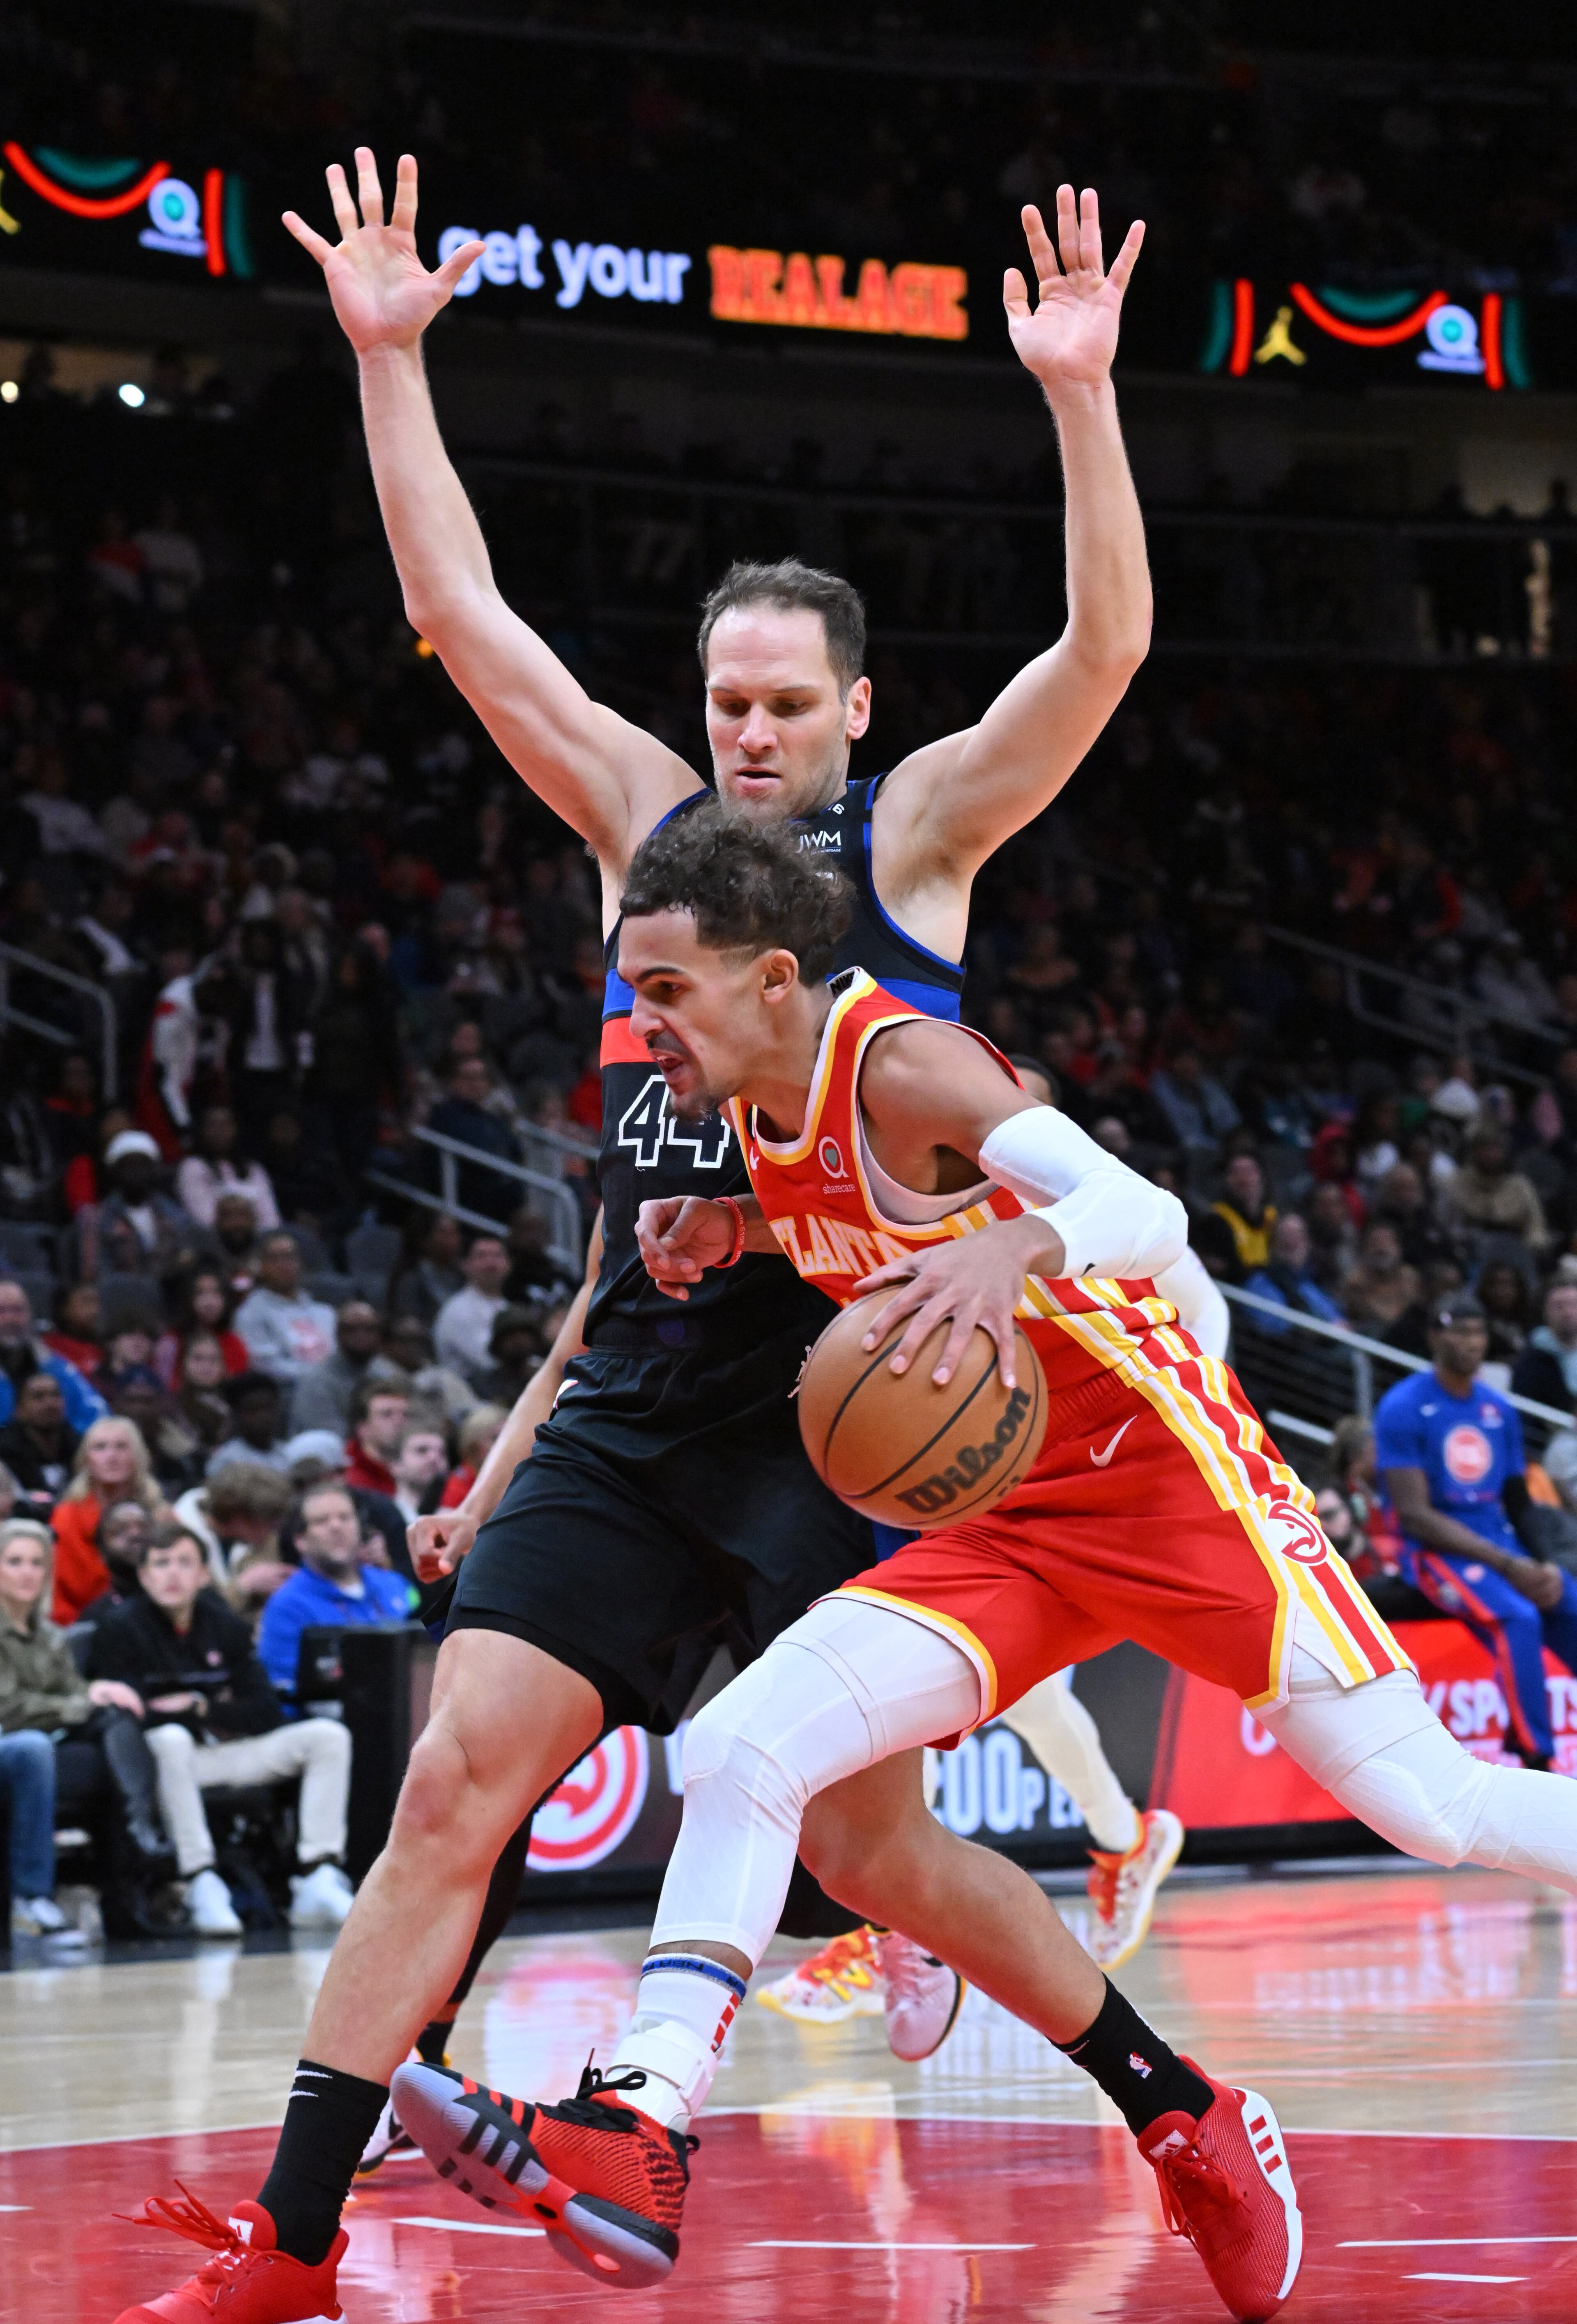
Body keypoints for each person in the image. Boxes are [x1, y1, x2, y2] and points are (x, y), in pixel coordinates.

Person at [117, 156, 1158, 2323]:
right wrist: (391, 362)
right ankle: (295, 2243)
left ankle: (1158, 2095)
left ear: (858, 711)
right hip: (633, 1398)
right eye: (730, 698)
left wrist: (1077, 398)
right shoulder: (638, 828)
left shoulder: (924, 840)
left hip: (839, 1421)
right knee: (451, 1783)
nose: (751, 729)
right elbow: (465, 623)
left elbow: (1102, 650)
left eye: (789, 701)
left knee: (885, 1852)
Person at [396, 812, 1577, 2304]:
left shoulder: (899, 1065)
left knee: (1424, 1802)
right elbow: (824, 1207)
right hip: (1001, 1513)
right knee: (739, 1748)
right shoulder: (764, 1116)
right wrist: (733, 1228)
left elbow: (1140, 1213)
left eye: (667, 992)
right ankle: (639, 2114)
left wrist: (1012, 1249)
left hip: (1163, 1477)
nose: (641, 1024)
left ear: (772, 981)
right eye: (630, 993)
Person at [87, 1528, 356, 1936]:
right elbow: (132, 1719)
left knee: (327, 1736)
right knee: (170, 1740)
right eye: (161, 1565)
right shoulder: (119, 1628)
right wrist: (217, 1712)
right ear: (144, 1576)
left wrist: (200, 1707)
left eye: (184, 1563)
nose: (172, 1575)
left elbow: (266, 1710)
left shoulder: (224, 1625)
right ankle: (200, 1878)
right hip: (160, 1768)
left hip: (225, 1753)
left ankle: (317, 1873)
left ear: (203, 1575)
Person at [1374, 1294, 1577, 1769]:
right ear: (1434, 1337)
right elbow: (1414, 1515)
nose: (1470, 1342)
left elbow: (1518, 1500)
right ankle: (1537, 1757)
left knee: (1568, 1602)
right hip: (1434, 1551)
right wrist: (1510, 1564)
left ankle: (1526, 1738)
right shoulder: (1403, 1406)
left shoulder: (1497, 1410)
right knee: (1518, 1619)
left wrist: (1543, 1561)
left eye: (1477, 1332)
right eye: (1458, 1332)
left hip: (1499, 1542)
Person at [0, 1517, 172, 1939]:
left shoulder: (46, 1633)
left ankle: (130, 1871)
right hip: (13, 1739)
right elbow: (8, 1707)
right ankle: (32, 1895)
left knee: (115, 1718)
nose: (27, 1572)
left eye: (37, 1563)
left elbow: (71, 1689)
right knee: (35, 1747)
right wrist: (83, 1703)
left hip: (40, 1739)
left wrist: (99, 1690)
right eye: (15, 1561)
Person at [256, 1480, 411, 1706]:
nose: (336, 1527)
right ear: (301, 1540)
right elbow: (283, 1692)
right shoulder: (286, 1606)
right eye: (322, 1521)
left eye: (345, 1518)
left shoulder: (394, 1584)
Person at [50, 1415, 168, 1624]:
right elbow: (56, 1594)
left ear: (138, 1456)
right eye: (100, 1448)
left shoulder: (162, 1516)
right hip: (84, 1627)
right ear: (86, 1460)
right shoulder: (67, 1517)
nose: (111, 1457)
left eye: (121, 1447)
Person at [0, 1276, 107, 1434]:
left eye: (18, 1310)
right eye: (2, 1311)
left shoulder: (55, 1367)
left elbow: (96, 1415)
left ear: (30, 1315)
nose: (10, 1319)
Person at [234, 1233, 336, 1385]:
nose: (284, 1265)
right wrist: (321, 1377)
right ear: (261, 1266)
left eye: (290, 1257)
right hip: (288, 1391)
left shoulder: (325, 1312)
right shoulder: (250, 1314)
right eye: (275, 1259)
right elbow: (266, 1366)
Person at [289, 1299, 403, 1436]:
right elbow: (327, 1436)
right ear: (338, 1334)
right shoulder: (316, 1381)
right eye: (352, 1330)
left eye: (369, 1329)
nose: (361, 1336)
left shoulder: (389, 1374)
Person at [175, 1104, 282, 1232]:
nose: (220, 1131)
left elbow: (272, 1220)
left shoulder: (254, 1169)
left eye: (226, 1125)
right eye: (213, 1125)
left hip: (259, 1240)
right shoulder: (192, 1167)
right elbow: (203, 1220)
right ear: (202, 1130)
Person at [152, 1267, 248, 1392]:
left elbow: (238, 1390)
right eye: (201, 1293)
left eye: (216, 1293)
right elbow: (162, 1388)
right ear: (189, 1297)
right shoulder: (171, 1342)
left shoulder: (234, 1344)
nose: (210, 1302)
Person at [0, 1371, 81, 1518]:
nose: (50, 1403)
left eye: (55, 1395)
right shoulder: (4, 1450)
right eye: (38, 1397)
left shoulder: (80, 1445)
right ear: (19, 1410)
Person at [431, 1233, 510, 1383]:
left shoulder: (507, 1307)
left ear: (508, 1265)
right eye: (481, 1256)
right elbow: (487, 1361)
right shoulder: (458, 1309)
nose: (491, 1263)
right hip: (468, 1395)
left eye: (497, 1256)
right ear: (466, 1265)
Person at [1512, 1277, 1577, 1415]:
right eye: (1559, 1306)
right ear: (1546, 1312)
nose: (1568, 1313)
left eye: (1574, 1305)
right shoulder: (1532, 1357)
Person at [207, 1374, 292, 1478]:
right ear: (236, 1415)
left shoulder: (288, 1453)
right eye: (254, 1411)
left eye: (268, 1408)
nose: (263, 1417)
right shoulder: (227, 1460)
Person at [1211, 1149, 1278, 1274]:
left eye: (1249, 1171)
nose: (1243, 1178)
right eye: (1236, 1172)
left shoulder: (1272, 1216)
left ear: (1261, 1177)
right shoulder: (1218, 1217)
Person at [341, 1381, 410, 1496]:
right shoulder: (349, 1480)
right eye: (387, 1414)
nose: (400, 1422)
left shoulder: (425, 1470)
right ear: (362, 1428)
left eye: (406, 1415)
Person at [388, 1421, 450, 1526]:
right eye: (422, 1450)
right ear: (396, 1465)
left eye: (442, 1453)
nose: (434, 1458)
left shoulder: (457, 1516)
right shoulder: (383, 1518)